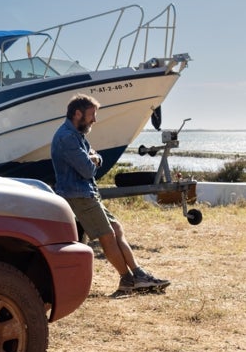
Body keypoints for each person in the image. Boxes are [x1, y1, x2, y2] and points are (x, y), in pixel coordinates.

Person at [51, 93, 169, 296]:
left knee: (116, 228)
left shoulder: (77, 135)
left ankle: (138, 275)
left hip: (88, 192)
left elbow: (95, 159)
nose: (94, 120)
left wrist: (94, 158)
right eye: (92, 115)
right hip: (77, 195)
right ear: (78, 114)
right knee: (107, 236)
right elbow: (88, 169)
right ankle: (127, 280)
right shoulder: (67, 138)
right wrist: (94, 159)